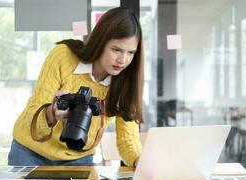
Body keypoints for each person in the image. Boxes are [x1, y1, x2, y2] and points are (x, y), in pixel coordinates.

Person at [8, 7, 144, 167]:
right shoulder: (63, 57)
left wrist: (139, 161)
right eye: (116, 49)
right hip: (30, 153)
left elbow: (128, 139)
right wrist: (51, 113)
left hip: (78, 158)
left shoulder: (125, 83)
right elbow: (34, 111)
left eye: (130, 53)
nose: (123, 60)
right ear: (100, 41)